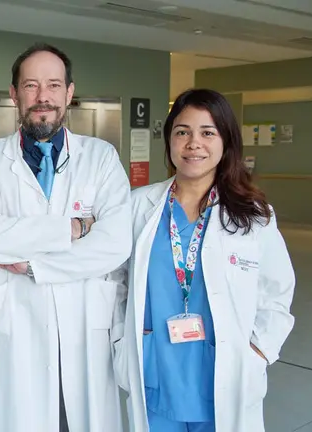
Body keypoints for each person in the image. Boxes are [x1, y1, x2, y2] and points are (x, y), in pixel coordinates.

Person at [0, 42, 132, 432]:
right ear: (14, 93)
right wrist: (72, 228)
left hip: (84, 326)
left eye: (54, 85)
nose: (43, 97)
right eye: (31, 86)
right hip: (14, 329)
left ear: (70, 93)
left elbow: (114, 244)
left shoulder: (101, 157)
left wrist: (36, 266)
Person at [114, 88, 296, 432]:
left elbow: (277, 291)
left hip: (224, 374)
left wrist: (258, 352)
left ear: (226, 141)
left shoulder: (253, 216)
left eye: (207, 133)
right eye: (182, 132)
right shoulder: (139, 207)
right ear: (169, 140)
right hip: (156, 371)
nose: (193, 143)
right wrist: (119, 341)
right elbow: (116, 282)